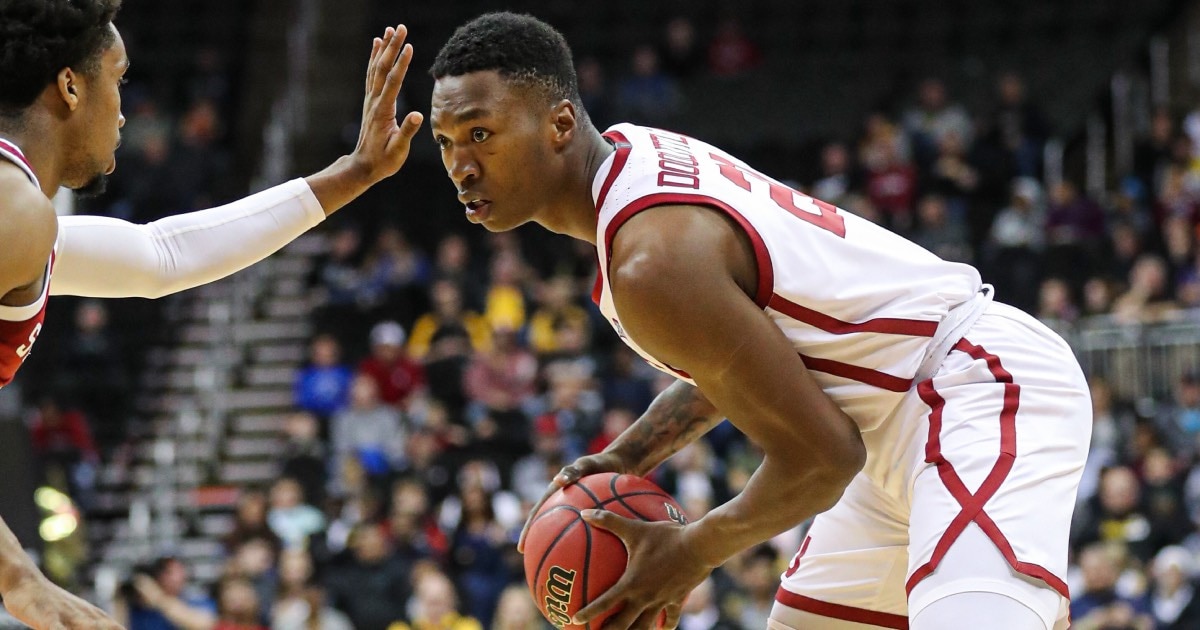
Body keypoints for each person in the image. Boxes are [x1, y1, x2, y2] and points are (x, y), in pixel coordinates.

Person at [429, 13, 1090, 630]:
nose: (461, 166)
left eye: (480, 134)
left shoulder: (650, 262)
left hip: (968, 389)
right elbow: (742, 357)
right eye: (445, 142)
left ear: (559, 125)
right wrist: (627, 457)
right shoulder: (631, 157)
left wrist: (690, 553)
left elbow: (823, 458)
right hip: (890, 426)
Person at [0, 0, 424, 626]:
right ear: (69, 86)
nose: (124, 109)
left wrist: (352, 174)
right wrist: (20, 578)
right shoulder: (13, 209)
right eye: (118, 79)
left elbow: (162, 257)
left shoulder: (22, 212)